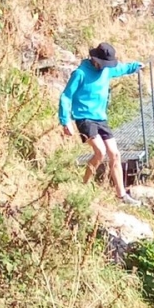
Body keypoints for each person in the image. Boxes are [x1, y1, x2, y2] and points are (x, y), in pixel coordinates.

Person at [59, 41, 143, 202]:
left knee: (115, 154)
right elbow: (66, 96)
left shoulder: (107, 70)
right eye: (103, 63)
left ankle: (122, 195)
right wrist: (65, 121)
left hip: (101, 118)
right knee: (100, 151)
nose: (105, 66)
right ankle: (83, 187)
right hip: (84, 118)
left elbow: (121, 69)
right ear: (94, 59)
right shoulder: (80, 73)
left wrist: (135, 66)